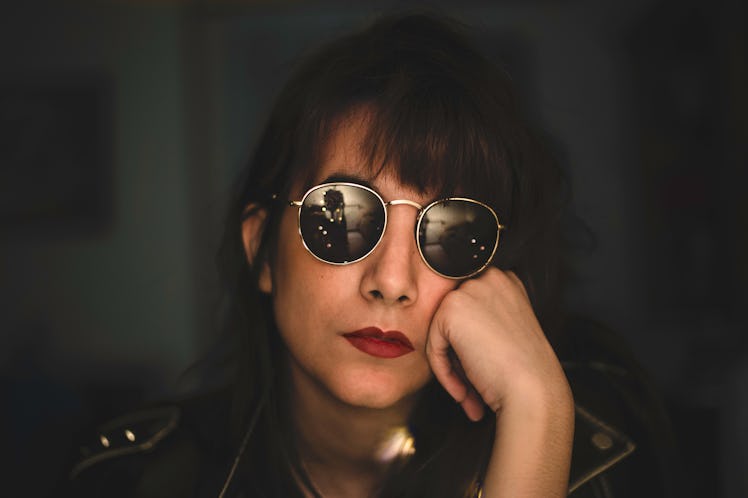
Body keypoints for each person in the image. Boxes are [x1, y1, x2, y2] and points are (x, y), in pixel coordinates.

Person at [68, 12, 675, 498]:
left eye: (450, 231)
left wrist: (537, 413)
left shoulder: (609, 462)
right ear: (262, 251)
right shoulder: (132, 479)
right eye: (342, 215)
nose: (392, 280)